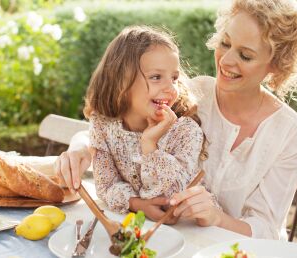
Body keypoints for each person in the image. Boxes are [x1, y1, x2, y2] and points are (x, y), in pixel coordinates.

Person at [55, 0, 297, 239]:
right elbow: (122, 130)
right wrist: (80, 147)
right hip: (180, 242)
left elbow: (267, 230)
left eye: (245, 55)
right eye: (225, 43)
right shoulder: (194, 93)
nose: (226, 60)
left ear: (277, 64)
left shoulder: (289, 132)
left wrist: (217, 218)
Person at [57, 25, 217, 220]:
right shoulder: (104, 125)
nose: (171, 88)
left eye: (174, 78)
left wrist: (150, 146)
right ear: (121, 82)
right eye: (156, 77)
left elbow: (173, 194)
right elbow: (106, 185)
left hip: (191, 230)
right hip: (138, 227)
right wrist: (137, 204)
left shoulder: (185, 131)